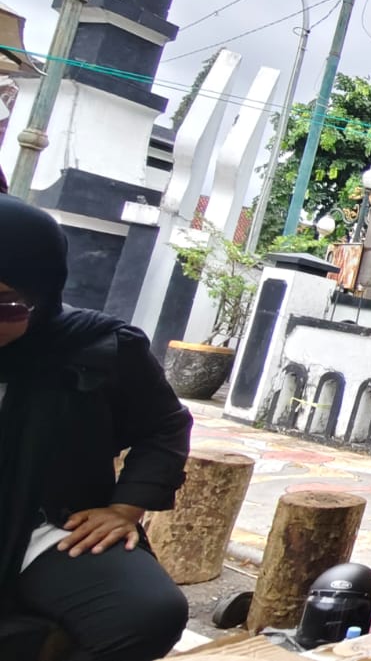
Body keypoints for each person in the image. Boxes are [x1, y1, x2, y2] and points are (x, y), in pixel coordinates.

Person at [0, 193, 193, 661]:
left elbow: (165, 426)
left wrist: (125, 508)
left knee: (149, 611)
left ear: (43, 298)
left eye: (7, 306)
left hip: (38, 525)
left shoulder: (96, 349)